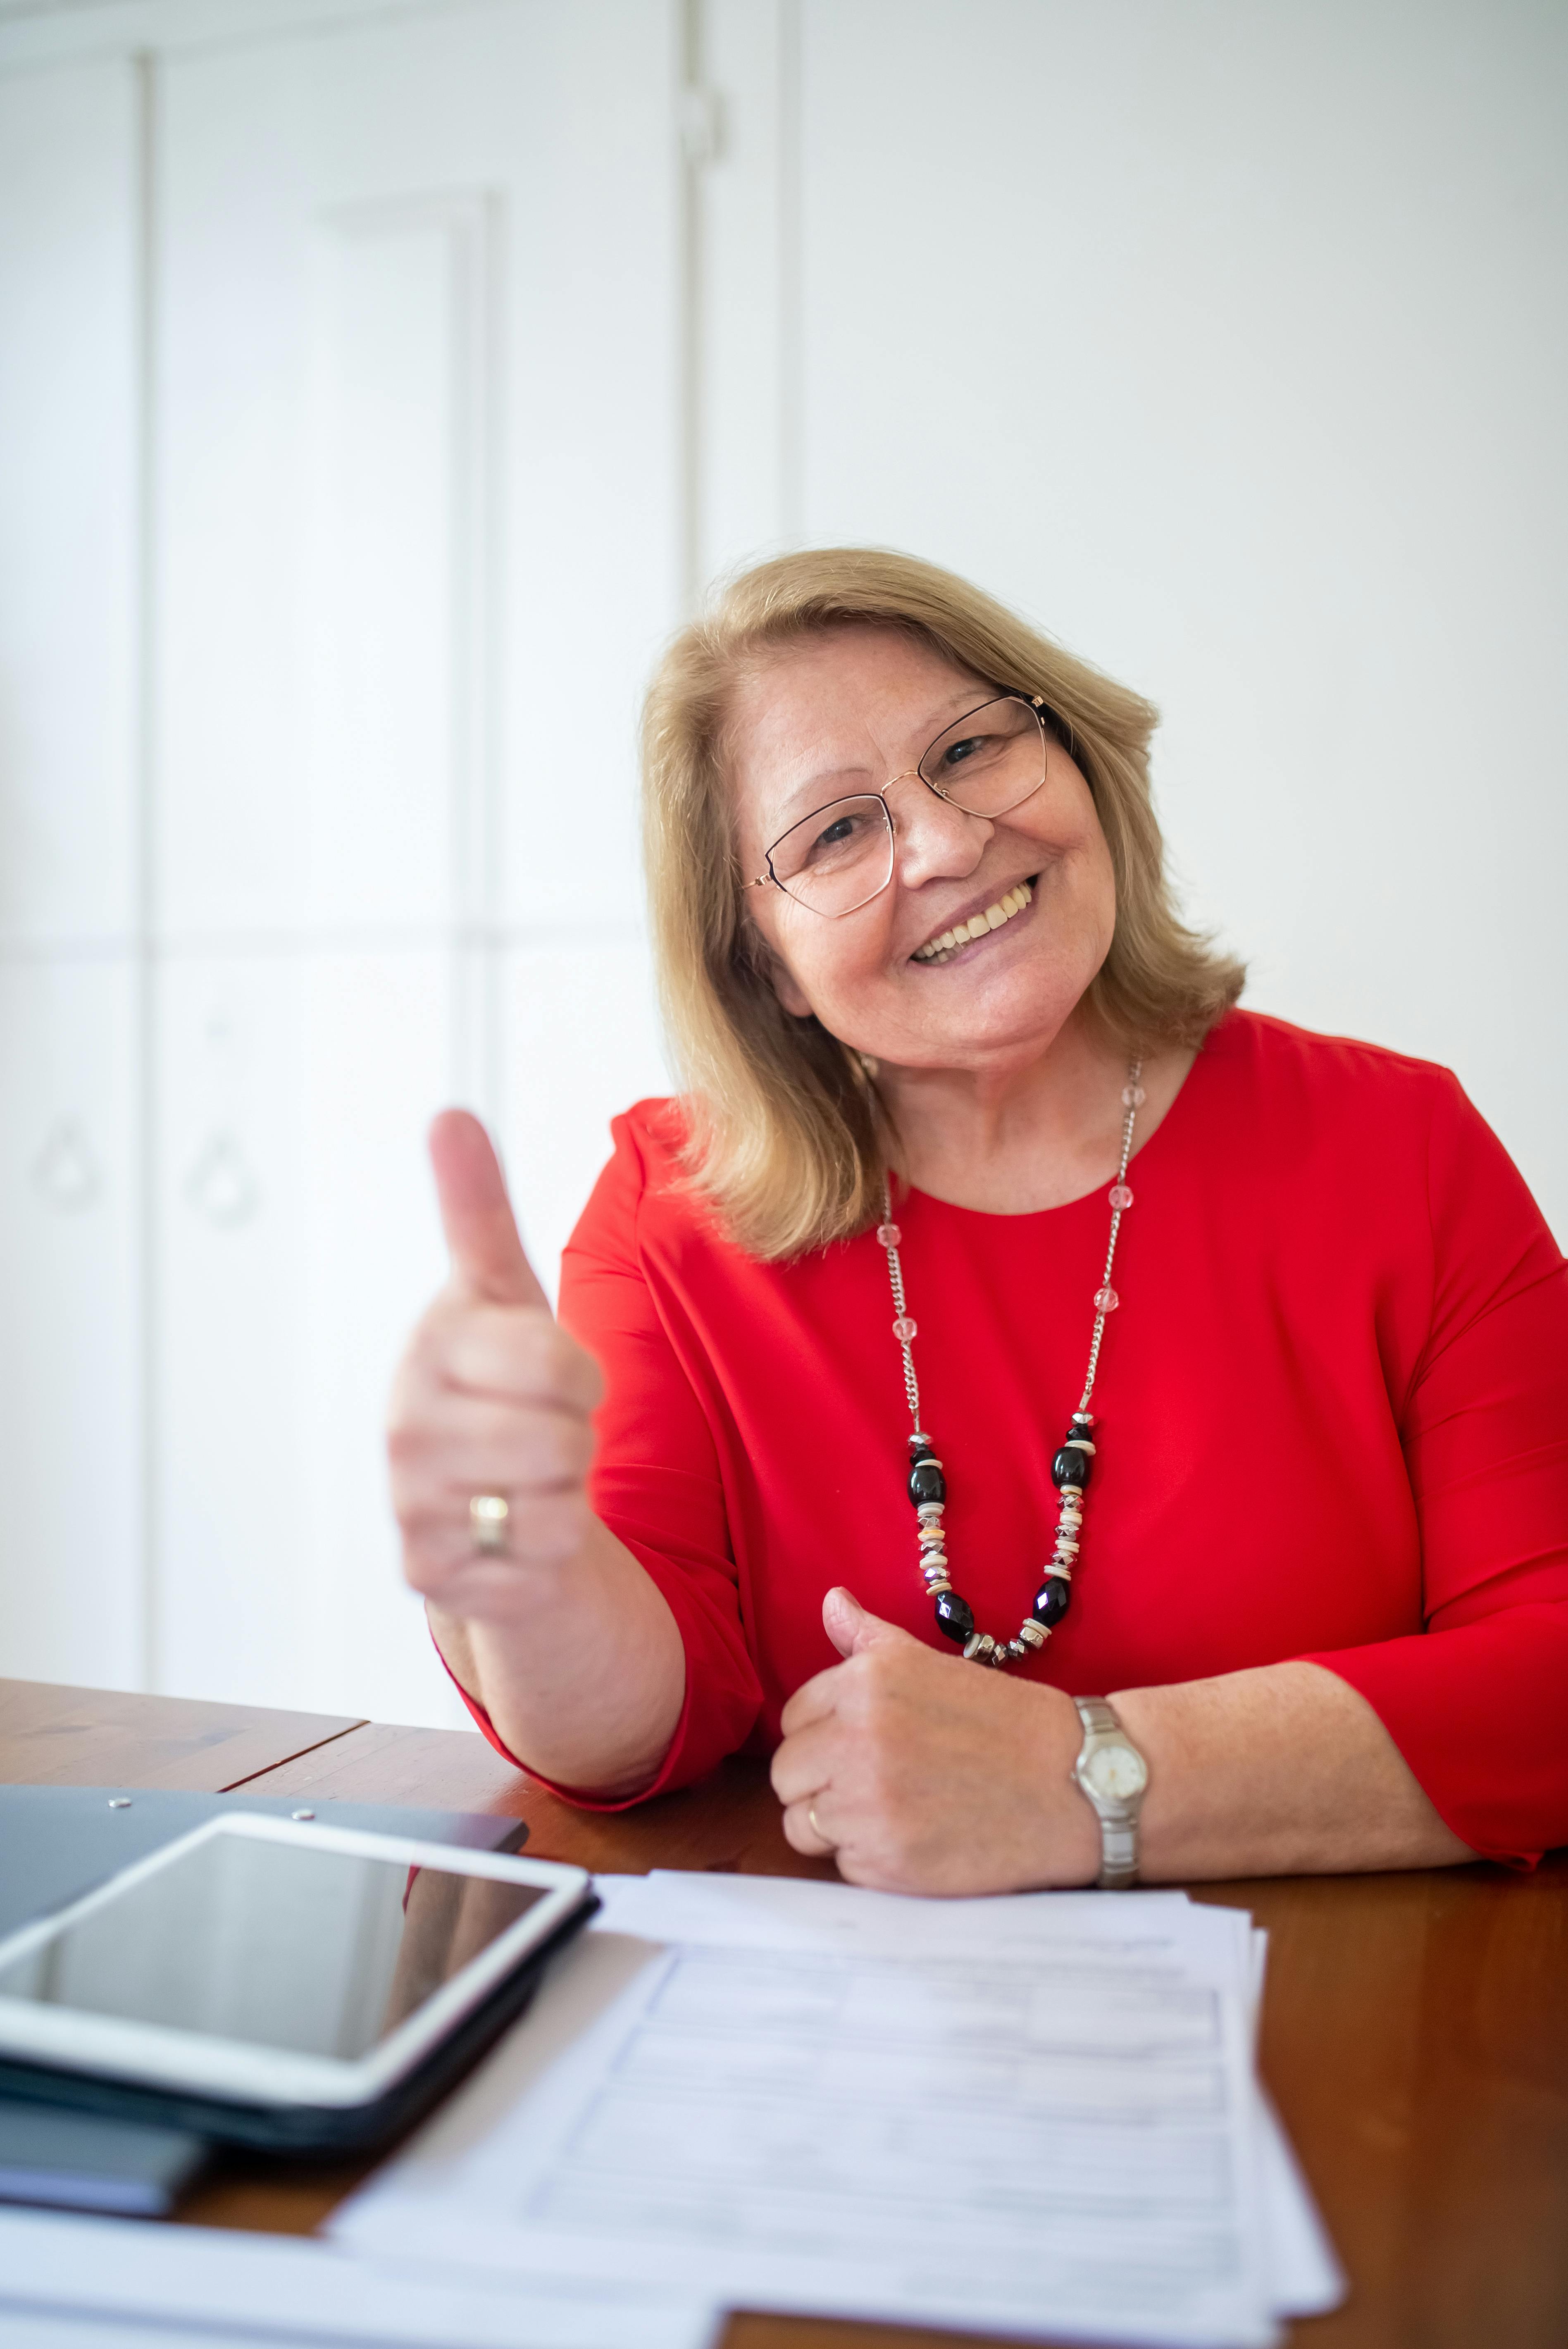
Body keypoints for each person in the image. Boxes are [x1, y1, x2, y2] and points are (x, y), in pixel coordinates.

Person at [388, 548, 1568, 1894]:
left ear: (1076, 760)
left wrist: (1084, 1775)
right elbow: (625, 1737)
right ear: (758, 963)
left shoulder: (1399, 1148)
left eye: (971, 749)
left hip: (1357, 2036)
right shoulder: (669, 1219)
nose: (946, 844)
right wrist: (505, 1552)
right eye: (835, 831)